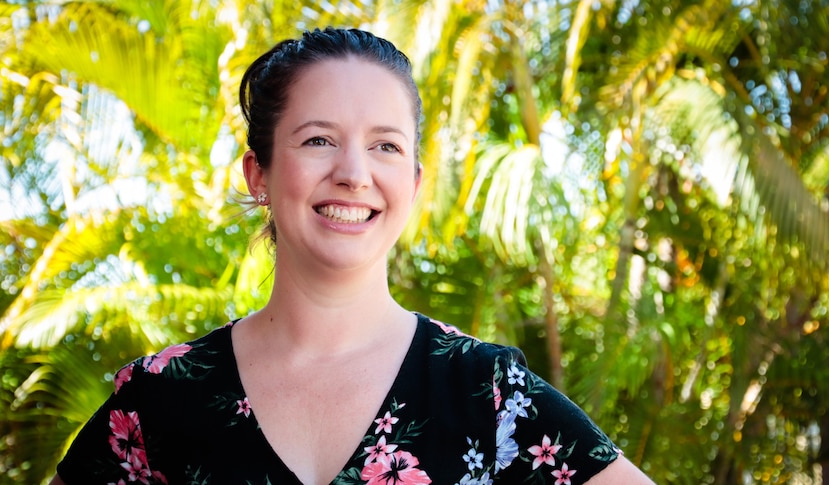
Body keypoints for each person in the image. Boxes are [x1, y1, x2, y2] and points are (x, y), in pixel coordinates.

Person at [50, 27, 654, 485]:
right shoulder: (160, 398)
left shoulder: (487, 393)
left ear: (414, 184)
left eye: (385, 146)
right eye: (319, 140)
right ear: (259, 173)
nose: (354, 174)